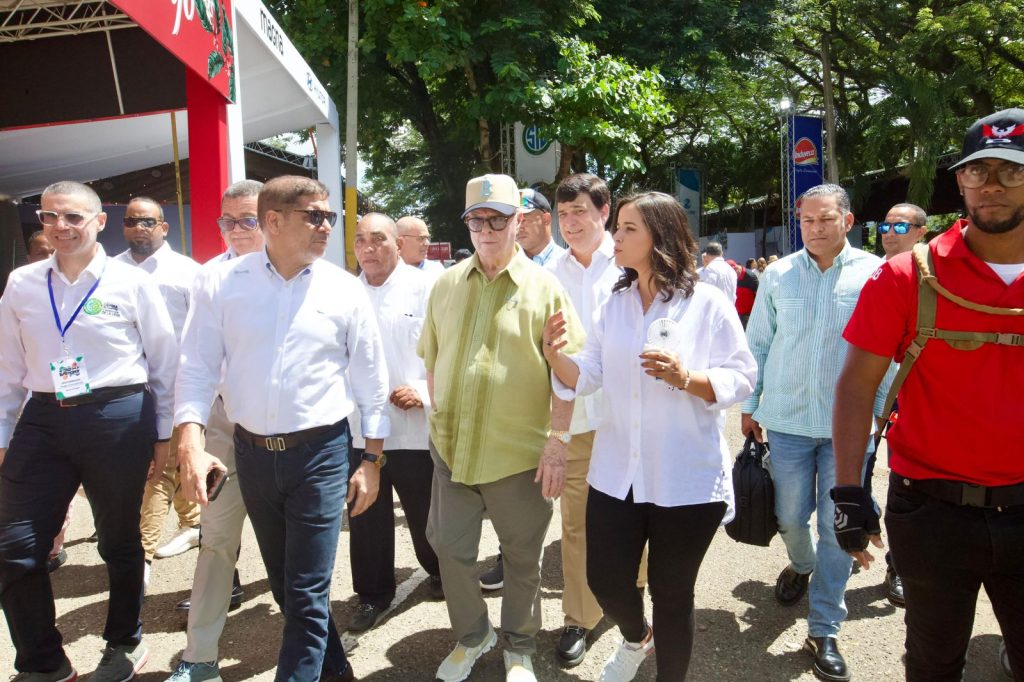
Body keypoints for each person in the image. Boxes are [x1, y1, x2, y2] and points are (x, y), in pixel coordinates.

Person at [832, 108, 1024, 681]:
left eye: (1011, 171)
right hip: (933, 510)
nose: (990, 185)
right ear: (959, 179)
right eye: (977, 171)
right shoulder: (906, 276)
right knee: (933, 662)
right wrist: (848, 491)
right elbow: (855, 387)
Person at [175, 176, 390, 681]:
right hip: (251, 456)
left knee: (309, 591)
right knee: (286, 588)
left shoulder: (344, 289)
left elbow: (372, 381)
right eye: (313, 216)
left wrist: (373, 460)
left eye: (329, 217)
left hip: (320, 454)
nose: (326, 227)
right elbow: (197, 366)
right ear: (271, 221)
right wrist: (189, 438)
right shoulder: (219, 284)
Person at [544, 191, 756, 680]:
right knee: (606, 581)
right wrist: (556, 357)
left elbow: (742, 376)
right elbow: (590, 372)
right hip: (617, 471)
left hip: (684, 478)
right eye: (616, 227)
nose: (615, 236)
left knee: (673, 593)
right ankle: (637, 637)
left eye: (628, 228)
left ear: (661, 235)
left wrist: (688, 378)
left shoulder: (706, 302)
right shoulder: (613, 305)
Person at [0, 180, 178, 681]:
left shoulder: (133, 283)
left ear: (100, 222)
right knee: (15, 546)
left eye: (73, 217)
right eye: (50, 216)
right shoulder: (23, 283)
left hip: (116, 416)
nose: (61, 226)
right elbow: (7, 369)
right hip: (42, 418)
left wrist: (164, 438)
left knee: (118, 541)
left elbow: (165, 364)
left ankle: (124, 642)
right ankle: (42, 661)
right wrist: (2, 436)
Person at [419, 173, 584, 682]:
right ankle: (473, 636)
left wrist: (557, 443)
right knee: (448, 548)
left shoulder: (547, 288)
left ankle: (519, 646)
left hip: (519, 456)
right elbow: (432, 356)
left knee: (521, 557)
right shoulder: (445, 283)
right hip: (452, 448)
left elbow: (570, 376)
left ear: (521, 222)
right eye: (477, 219)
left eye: (498, 218)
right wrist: (437, 410)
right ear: (467, 224)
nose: (487, 228)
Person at [741, 183, 893, 682]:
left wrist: (881, 410)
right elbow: (756, 344)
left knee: (836, 525)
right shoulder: (779, 275)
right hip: (785, 423)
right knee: (789, 516)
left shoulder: (874, 272)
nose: (815, 229)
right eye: (807, 221)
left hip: (846, 430)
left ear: (847, 221)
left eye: (825, 220)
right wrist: (749, 404)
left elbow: (889, 348)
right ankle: (800, 566)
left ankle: (824, 626)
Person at [165, 179, 265, 682]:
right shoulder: (208, 278)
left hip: (286, 432)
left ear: (271, 218)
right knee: (217, 539)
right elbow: (195, 363)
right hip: (225, 427)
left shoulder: (307, 274)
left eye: (247, 220)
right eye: (228, 221)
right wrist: (191, 434)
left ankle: (314, 649)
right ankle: (199, 656)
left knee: (294, 550)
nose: (236, 231)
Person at [542, 172, 627, 668]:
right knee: (575, 524)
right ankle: (579, 616)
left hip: (628, 420)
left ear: (604, 211)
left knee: (632, 516)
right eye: (564, 213)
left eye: (580, 212)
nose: (570, 223)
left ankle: (630, 593)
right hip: (574, 418)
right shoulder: (548, 272)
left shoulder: (631, 263)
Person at [346, 212, 442, 633]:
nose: (369, 248)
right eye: (361, 240)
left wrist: (422, 389)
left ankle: (441, 572)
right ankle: (372, 594)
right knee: (365, 515)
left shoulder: (429, 289)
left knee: (427, 513)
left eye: (379, 239)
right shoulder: (344, 294)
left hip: (416, 428)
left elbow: (449, 350)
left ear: (399, 245)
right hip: (361, 427)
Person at [114, 197, 202, 586]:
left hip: (180, 389)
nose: (139, 228)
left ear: (164, 227)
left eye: (147, 222)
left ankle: (141, 557)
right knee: (161, 469)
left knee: (157, 472)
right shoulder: (107, 272)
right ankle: (193, 522)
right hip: (126, 394)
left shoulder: (188, 273)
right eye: (132, 221)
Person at [861, 201, 929, 609]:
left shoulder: (936, 277)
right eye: (885, 225)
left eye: (900, 225)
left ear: (922, 231)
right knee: (858, 475)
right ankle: (855, 534)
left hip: (914, 398)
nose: (889, 232)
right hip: (868, 398)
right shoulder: (868, 272)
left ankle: (898, 565)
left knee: (906, 486)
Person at [516, 188, 565, 266]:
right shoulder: (505, 265)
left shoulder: (567, 264)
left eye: (524, 220)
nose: (518, 227)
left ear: (546, 219)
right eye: (515, 221)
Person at [731, 258, 759, 328]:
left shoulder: (750, 276)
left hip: (750, 315)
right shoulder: (732, 278)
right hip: (736, 315)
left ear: (736, 268)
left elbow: (758, 295)